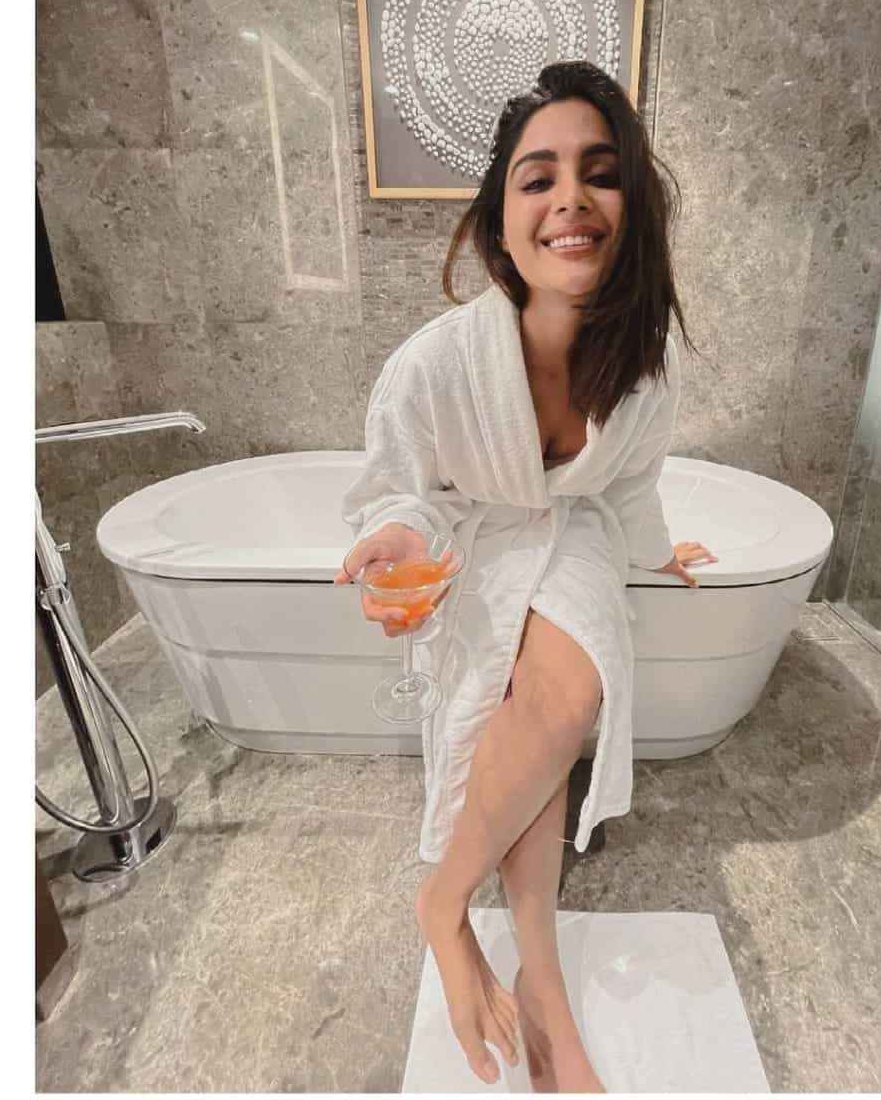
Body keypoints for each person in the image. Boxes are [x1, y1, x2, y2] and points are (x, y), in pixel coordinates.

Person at [335, 60, 716, 1092]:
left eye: (601, 173)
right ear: (501, 225)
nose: (570, 199)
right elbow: (402, 489)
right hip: (476, 533)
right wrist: (398, 541)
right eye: (537, 178)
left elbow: (628, 489)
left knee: (565, 693)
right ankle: (539, 977)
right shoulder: (434, 362)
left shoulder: (645, 368)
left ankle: (443, 900)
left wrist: (659, 551)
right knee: (526, 718)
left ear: (632, 211)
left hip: (574, 529)